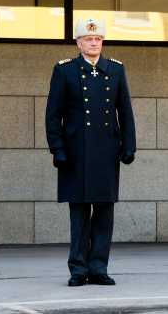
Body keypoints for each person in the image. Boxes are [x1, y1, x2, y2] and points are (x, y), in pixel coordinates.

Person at [45, 18, 136, 287]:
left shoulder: (115, 70)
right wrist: (57, 148)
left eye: (97, 39)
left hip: (107, 152)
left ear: (102, 42)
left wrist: (129, 144)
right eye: (88, 39)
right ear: (78, 42)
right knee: (80, 213)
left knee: (104, 213)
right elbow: (53, 115)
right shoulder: (65, 71)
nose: (93, 43)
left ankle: (99, 267)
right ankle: (78, 269)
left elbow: (125, 111)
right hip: (76, 153)